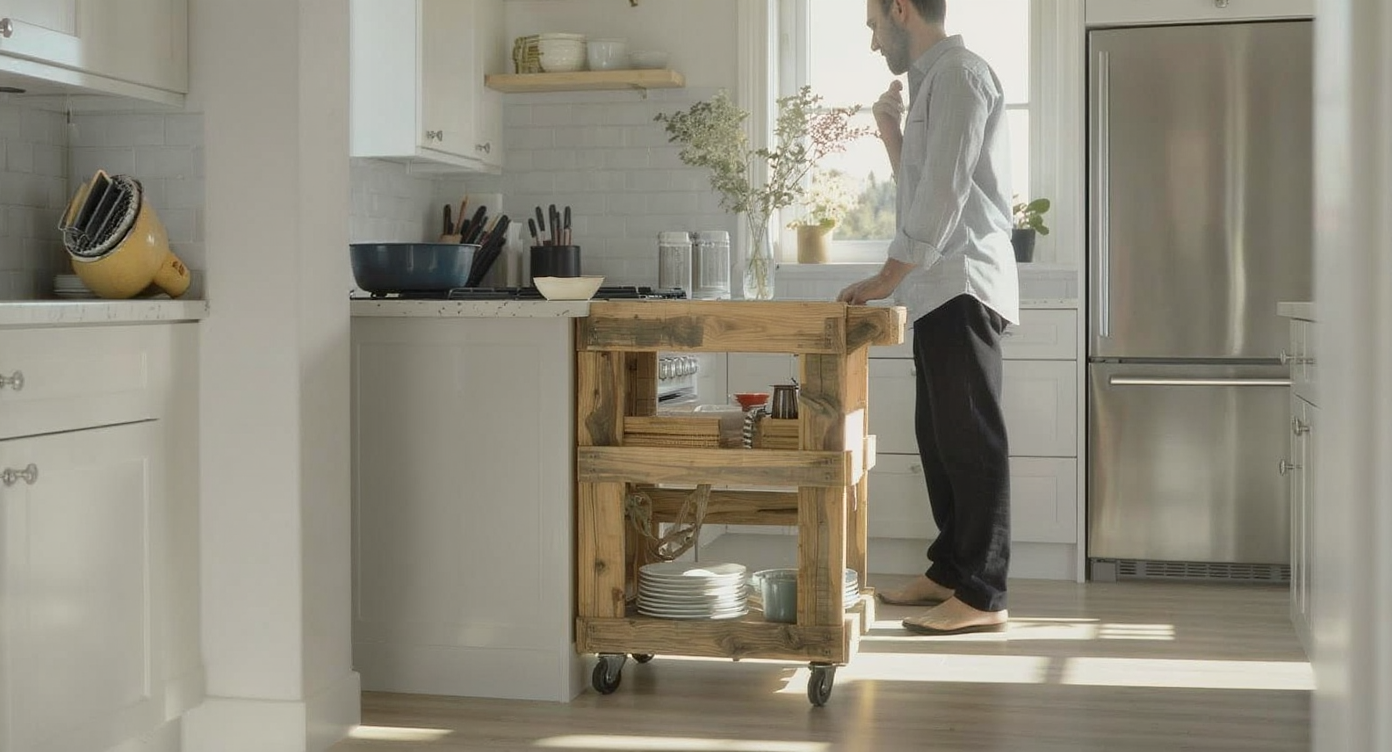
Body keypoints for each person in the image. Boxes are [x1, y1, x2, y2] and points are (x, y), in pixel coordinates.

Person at [838, 0, 1019, 636]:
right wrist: (892, 137)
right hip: (940, 288)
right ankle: (950, 571)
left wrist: (888, 277)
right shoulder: (931, 85)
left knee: (971, 439)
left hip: (965, 283)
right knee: (940, 441)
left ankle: (983, 593)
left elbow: (945, 193)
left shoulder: (961, 74)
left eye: (872, 24)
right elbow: (927, 188)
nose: (871, 41)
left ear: (902, 9)